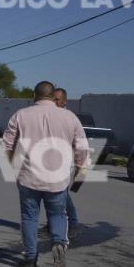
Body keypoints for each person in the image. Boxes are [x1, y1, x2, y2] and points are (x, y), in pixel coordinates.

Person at [2, 81, 88, 267]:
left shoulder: (20, 115)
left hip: (28, 178)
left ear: (34, 95)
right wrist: (80, 170)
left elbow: (7, 145)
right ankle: (58, 243)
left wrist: (14, 167)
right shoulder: (69, 117)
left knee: (30, 217)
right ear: (52, 96)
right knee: (58, 214)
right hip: (57, 180)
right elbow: (82, 148)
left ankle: (30, 258)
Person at [53, 88, 81, 239]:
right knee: (55, 193)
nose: (54, 102)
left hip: (65, 161)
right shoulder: (52, 115)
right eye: (53, 99)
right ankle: (54, 223)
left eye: (57, 100)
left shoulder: (69, 117)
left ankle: (74, 222)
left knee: (61, 193)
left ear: (64, 102)